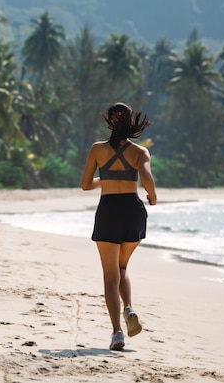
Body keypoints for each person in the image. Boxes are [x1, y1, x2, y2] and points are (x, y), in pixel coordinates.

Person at [80, 101, 157, 351]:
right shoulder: (140, 152)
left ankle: (117, 333)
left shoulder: (97, 149)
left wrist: (106, 178)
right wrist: (153, 196)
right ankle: (129, 308)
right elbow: (146, 177)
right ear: (130, 122)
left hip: (109, 210)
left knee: (110, 276)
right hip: (133, 211)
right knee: (122, 266)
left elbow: (85, 184)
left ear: (110, 122)